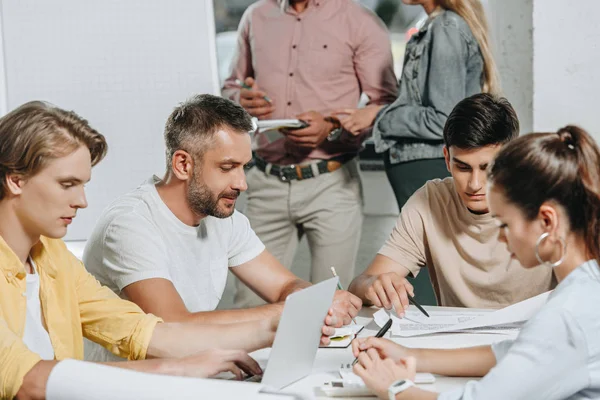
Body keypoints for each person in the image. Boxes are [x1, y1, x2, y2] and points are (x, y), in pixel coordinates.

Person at [0, 101, 269, 400]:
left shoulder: (51, 256)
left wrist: (271, 329)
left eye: (83, 185)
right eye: (67, 184)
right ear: (16, 181)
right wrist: (179, 369)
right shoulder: (128, 221)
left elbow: (141, 331)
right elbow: (27, 380)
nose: (82, 201)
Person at [83, 94, 361, 361]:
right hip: (123, 384)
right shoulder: (129, 225)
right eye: (227, 167)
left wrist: (314, 302)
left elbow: (284, 286)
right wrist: (289, 312)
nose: (242, 183)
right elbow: (174, 325)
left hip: (191, 370)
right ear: (183, 164)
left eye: (244, 167)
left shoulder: (224, 218)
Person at [351, 125, 600, 399]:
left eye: (504, 223)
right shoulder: (585, 287)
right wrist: (413, 355)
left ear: (547, 221)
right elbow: (514, 353)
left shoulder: (567, 315)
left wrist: (395, 388)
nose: (502, 238)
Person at [221, 0, 398, 308]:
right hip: (265, 182)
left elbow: (387, 105)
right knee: (250, 305)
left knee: (328, 305)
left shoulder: (359, 21)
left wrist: (332, 127)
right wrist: (240, 98)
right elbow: (230, 86)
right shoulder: (256, 16)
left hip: (331, 183)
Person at [335, 0, 499, 304]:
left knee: (424, 283)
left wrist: (377, 116)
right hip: (417, 164)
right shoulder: (435, 25)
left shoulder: (446, 27)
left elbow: (444, 118)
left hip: (425, 162)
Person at [349, 94, 554, 313]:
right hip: (457, 341)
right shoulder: (429, 201)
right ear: (447, 159)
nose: (475, 184)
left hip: (534, 339)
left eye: (488, 168)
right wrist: (373, 286)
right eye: (463, 168)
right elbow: (359, 287)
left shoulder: (548, 198)